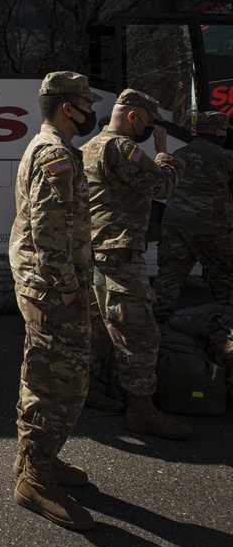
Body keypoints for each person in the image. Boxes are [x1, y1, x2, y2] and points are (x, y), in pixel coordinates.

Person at [9, 71, 98, 531]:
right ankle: (36, 478)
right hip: (52, 285)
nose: (89, 112)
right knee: (60, 381)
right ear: (69, 107)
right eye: (85, 103)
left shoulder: (44, 146)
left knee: (42, 370)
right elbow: (48, 232)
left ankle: (37, 457)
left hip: (44, 280)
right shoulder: (54, 152)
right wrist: (66, 287)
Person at [82, 88, 190, 440]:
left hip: (93, 252)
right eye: (148, 122)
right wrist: (163, 152)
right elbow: (162, 186)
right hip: (119, 254)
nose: (149, 128)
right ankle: (141, 412)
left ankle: (89, 388)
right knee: (140, 332)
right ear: (133, 117)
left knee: (98, 328)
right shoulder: (121, 148)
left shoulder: (88, 147)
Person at [151, 111, 233, 321]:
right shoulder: (224, 157)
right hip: (213, 230)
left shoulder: (179, 154)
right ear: (217, 131)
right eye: (224, 131)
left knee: (168, 280)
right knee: (225, 284)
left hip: (176, 227)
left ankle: (155, 331)